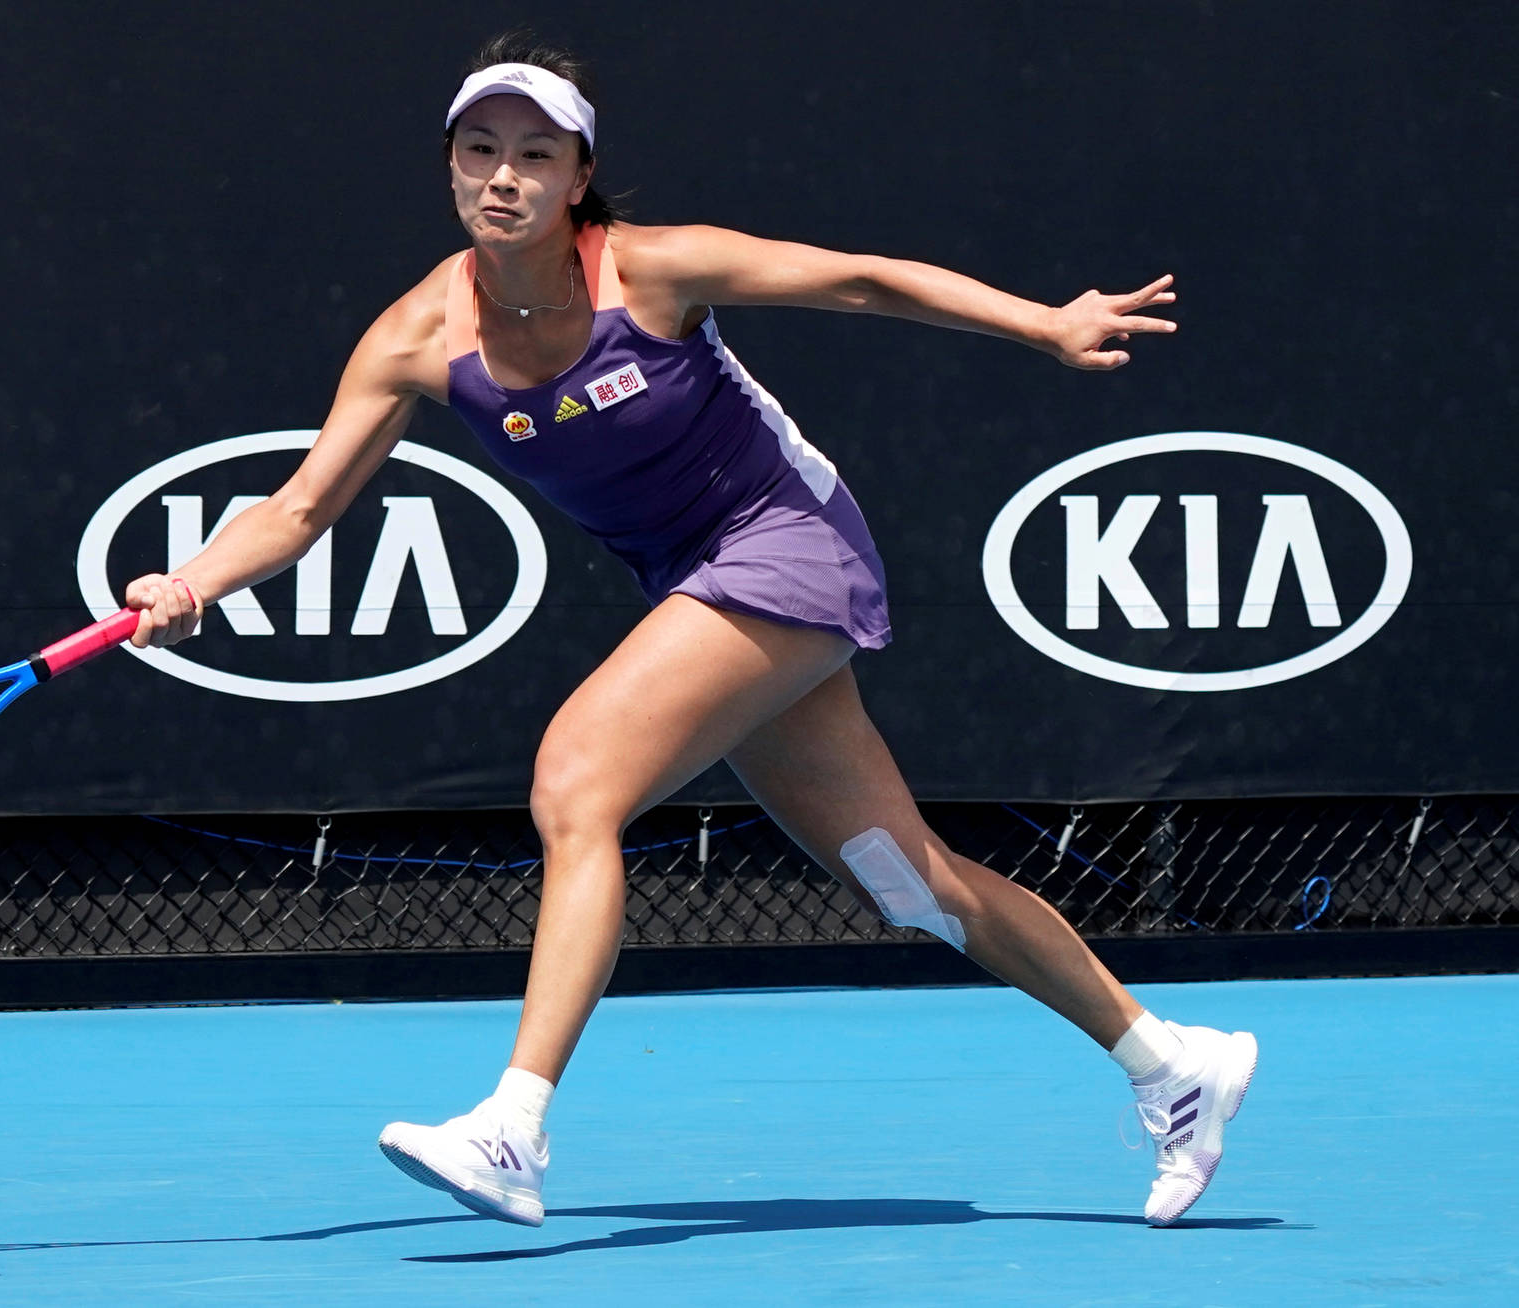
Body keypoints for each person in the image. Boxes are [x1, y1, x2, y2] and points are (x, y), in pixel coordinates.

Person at [123, 34, 1256, 1229]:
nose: (501, 176)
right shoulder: (417, 338)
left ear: (577, 176)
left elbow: (860, 278)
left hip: (787, 541)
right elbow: (301, 507)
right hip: (694, 577)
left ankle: (514, 1125)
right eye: (479, 151)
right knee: (909, 885)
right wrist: (190, 586)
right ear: (451, 168)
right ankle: (1171, 1063)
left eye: (533, 155)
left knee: (577, 781)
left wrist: (1040, 325)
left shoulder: (652, 272)